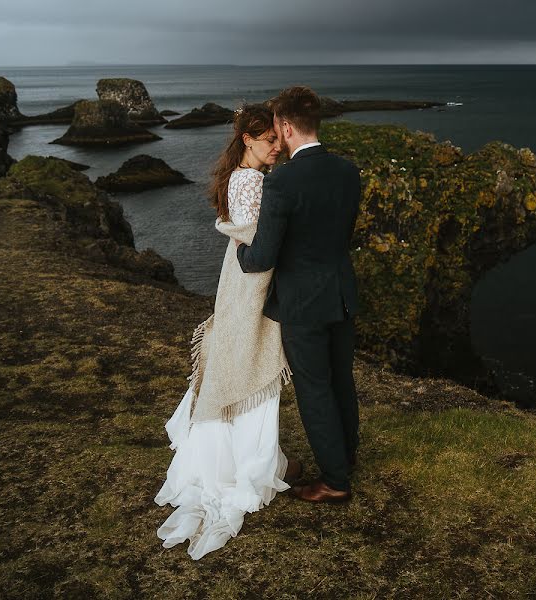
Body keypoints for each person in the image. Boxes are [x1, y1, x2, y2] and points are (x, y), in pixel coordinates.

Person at [154, 103, 297, 560]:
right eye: (269, 139)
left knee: (242, 354)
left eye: (279, 138)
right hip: (252, 282)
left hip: (238, 279)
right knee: (253, 354)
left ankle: (240, 455)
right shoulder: (252, 181)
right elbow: (262, 241)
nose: (277, 147)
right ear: (248, 140)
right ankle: (246, 464)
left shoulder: (239, 176)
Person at [236, 86, 361, 503]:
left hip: (303, 303)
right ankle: (347, 456)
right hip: (342, 293)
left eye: (276, 128)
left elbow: (262, 257)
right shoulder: (348, 171)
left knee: (314, 388)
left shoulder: (282, 180)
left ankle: (335, 481)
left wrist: (238, 247)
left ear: (286, 127)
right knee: (341, 379)